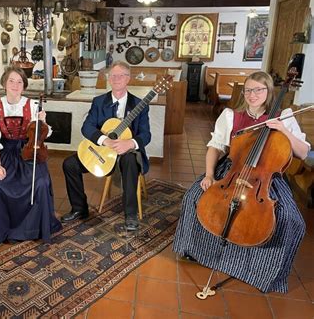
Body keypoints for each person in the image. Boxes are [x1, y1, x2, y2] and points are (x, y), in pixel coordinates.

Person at [173, 71, 310, 293]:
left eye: (259, 90)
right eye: (248, 90)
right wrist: (209, 175)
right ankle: (194, 250)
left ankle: (260, 272)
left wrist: (283, 129)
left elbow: (303, 153)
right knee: (193, 198)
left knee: (291, 221)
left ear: (269, 91)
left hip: (266, 179)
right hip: (233, 171)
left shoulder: (284, 116)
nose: (252, 94)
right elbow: (215, 147)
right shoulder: (230, 116)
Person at [61, 61, 151, 230]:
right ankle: (79, 209)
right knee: (69, 164)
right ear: (109, 79)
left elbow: (146, 135)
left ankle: (130, 214)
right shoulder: (99, 101)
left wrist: (129, 143)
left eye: (121, 75)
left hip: (126, 153)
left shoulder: (139, 105)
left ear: (128, 79)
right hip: (102, 152)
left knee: (130, 161)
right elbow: (87, 127)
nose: (116, 79)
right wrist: (105, 140)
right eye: (112, 75)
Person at [0, 66, 62, 248]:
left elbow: (43, 135)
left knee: (40, 183)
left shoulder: (32, 105)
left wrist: (42, 122)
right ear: (4, 83)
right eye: (11, 81)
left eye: (19, 82)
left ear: (24, 86)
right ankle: (2, 230)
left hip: (28, 152)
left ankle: (33, 229)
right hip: (4, 153)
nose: (15, 85)